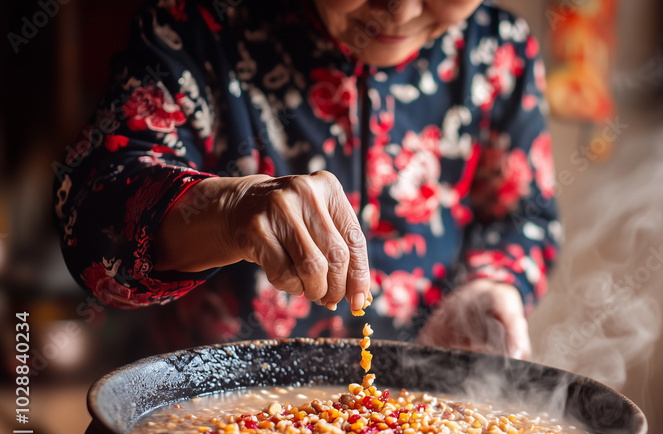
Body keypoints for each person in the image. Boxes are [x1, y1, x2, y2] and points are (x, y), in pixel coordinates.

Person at [52, 0, 559, 359]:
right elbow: (95, 224)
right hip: (213, 416)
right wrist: (230, 213)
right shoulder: (198, 28)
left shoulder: (500, 52)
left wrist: (493, 285)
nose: (400, 8)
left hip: (418, 423)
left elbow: (523, 215)